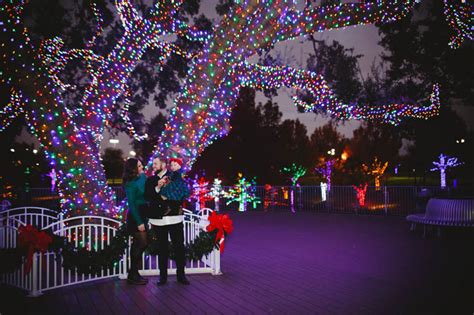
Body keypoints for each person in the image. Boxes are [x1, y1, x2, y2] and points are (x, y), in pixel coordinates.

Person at [145, 157, 190, 285]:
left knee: (179, 247)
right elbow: (147, 196)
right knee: (162, 248)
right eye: (153, 163)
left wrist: (169, 198)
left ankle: (181, 275)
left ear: (164, 165)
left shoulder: (175, 177)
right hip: (158, 219)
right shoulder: (151, 180)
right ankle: (163, 277)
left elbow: (182, 194)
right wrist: (157, 189)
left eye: (155, 163)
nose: (153, 166)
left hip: (175, 217)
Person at [123, 158, 148, 285]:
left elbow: (147, 190)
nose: (142, 166)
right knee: (142, 243)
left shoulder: (142, 177)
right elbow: (132, 204)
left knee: (137, 245)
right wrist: (139, 222)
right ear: (133, 168)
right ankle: (133, 273)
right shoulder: (130, 183)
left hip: (143, 213)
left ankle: (133, 274)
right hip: (135, 215)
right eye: (139, 166)